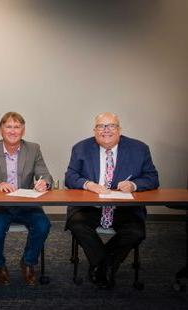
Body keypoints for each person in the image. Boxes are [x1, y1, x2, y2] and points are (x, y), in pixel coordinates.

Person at [65, 112, 159, 288]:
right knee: (76, 224)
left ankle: (102, 265)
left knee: (135, 232)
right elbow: (70, 176)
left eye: (111, 126)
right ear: (94, 130)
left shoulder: (139, 148)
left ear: (119, 129)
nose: (106, 130)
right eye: (101, 126)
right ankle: (106, 266)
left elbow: (152, 178)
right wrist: (88, 184)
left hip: (124, 208)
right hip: (90, 206)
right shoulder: (81, 148)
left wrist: (133, 184)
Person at [0, 112, 53, 286]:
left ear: (23, 131)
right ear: (1, 130)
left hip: (26, 205)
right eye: (8, 127)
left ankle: (28, 262)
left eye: (17, 127)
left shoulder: (33, 149)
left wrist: (44, 184)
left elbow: (46, 175)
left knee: (43, 225)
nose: (12, 131)